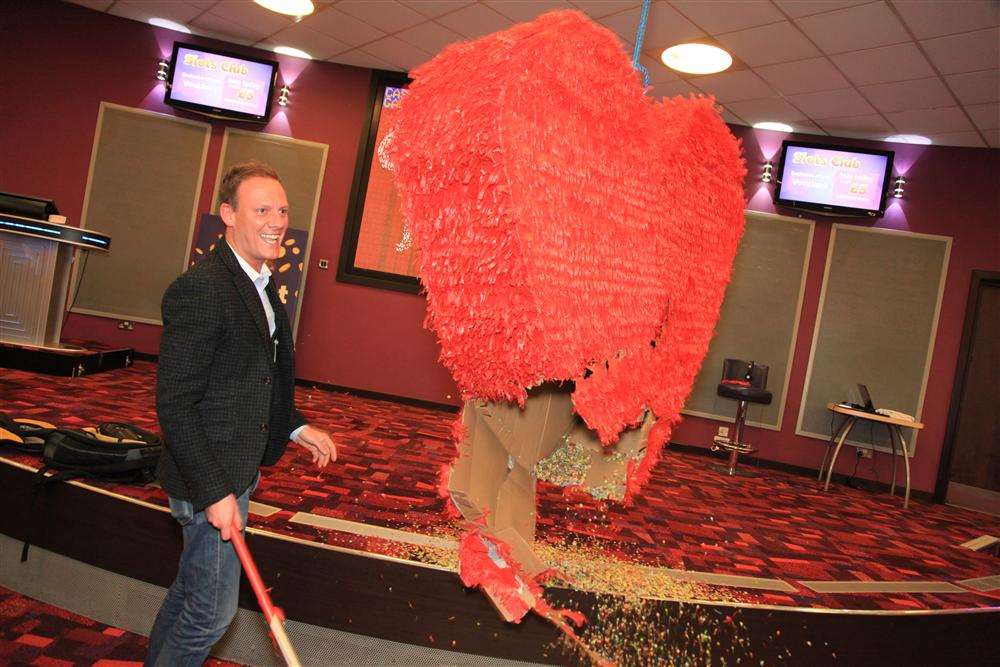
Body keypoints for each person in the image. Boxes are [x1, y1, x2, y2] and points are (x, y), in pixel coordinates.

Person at [146, 162, 336, 666]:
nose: (277, 220)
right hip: (208, 478)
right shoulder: (204, 288)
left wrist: (294, 425)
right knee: (210, 613)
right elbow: (176, 404)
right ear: (228, 215)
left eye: (282, 209)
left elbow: (254, 376)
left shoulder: (259, 280)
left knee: (191, 594)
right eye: (261, 209)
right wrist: (214, 491)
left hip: (233, 470)